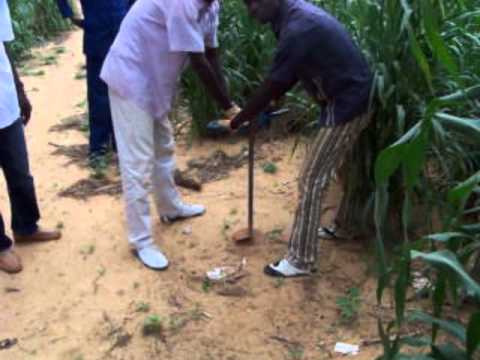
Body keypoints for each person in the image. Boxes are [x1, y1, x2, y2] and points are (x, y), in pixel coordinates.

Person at [231, 0, 373, 277]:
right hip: (346, 96)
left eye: (255, 2)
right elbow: (290, 72)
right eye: (247, 5)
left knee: (312, 177)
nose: (251, 10)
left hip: (347, 103)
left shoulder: (299, 26)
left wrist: (241, 118)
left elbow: (275, 81)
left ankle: (301, 259)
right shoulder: (286, 19)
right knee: (338, 167)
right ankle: (347, 225)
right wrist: (269, 102)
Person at [100, 0, 240, 270]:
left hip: (155, 81)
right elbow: (198, 62)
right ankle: (141, 240)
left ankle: (170, 208)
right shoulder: (182, 2)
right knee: (137, 163)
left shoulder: (211, 6)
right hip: (130, 78)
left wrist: (230, 105)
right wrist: (228, 107)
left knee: (164, 148)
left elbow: (212, 55)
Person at [0, 0, 62, 274]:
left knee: (20, 173)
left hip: (4, 102)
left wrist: (20, 90)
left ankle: (26, 227)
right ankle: (0, 246)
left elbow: (5, 44)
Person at [56, 0, 136, 161]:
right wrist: (71, 15)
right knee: (99, 95)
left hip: (123, 34)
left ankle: (121, 143)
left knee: (124, 92)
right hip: (97, 34)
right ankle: (98, 147)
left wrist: (131, 16)